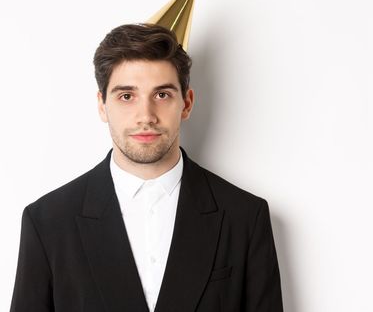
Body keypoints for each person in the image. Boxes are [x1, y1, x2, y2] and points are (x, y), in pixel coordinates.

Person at [9, 23, 284, 312]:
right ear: (102, 105)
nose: (146, 116)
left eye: (162, 95)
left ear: (186, 103)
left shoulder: (244, 217)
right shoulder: (48, 222)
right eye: (126, 96)